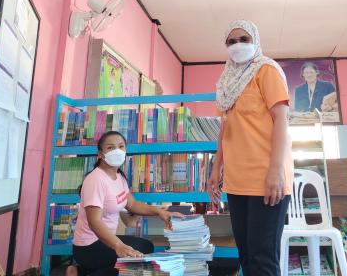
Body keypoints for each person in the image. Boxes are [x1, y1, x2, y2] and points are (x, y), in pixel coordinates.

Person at [207, 20, 293, 276]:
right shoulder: (226, 82)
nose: (238, 45)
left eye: (244, 39)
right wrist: (216, 168)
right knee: (246, 255)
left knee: (262, 259)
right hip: (236, 181)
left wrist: (276, 171)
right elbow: (225, 128)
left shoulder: (267, 70)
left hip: (267, 179)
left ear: (255, 41)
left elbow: (281, 120)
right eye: (231, 41)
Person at [67, 131, 182, 276]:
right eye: (110, 147)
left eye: (121, 146)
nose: (117, 151)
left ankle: (80, 271)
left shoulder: (119, 177)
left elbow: (132, 204)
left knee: (146, 246)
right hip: (88, 246)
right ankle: (83, 270)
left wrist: (160, 212)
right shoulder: (95, 180)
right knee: (138, 254)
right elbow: (94, 222)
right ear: (100, 154)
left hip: (105, 240)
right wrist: (119, 246)